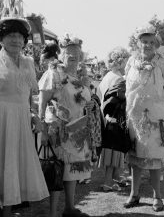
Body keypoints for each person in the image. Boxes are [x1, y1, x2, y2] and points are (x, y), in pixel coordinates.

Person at [38, 34, 93, 217]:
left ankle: (69, 208)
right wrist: (43, 129)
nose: (73, 55)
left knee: (71, 170)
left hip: (77, 130)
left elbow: (82, 102)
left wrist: (89, 103)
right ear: (61, 54)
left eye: (76, 53)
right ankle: (53, 212)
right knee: (57, 170)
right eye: (69, 52)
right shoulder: (54, 73)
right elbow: (43, 102)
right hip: (58, 130)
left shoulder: (79, 77)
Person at [123, 24, 164, 212]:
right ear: (138, 43)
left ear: (156, 43)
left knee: (154, 159)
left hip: (156, 117)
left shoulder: (162, 62)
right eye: (144, 42)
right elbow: (127, 88)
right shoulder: (131, 61)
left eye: (151, 42)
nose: (147, 45)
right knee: (135, 158)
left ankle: (157, 197)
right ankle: (134, 194)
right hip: (135, 117)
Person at [0, 17, 49, 217]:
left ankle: (7, 213)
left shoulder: (29, 63)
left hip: (20, 121)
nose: (16, 40)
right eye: (11, 35)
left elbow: (29, 97)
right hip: (1, 118)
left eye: (20, 36)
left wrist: (34, 116)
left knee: (13, 166)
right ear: (1, 39)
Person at [97, 47, 130, 191]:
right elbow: (121, 100)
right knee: (114, 150)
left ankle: (115, 177)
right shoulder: (119, 79)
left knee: (110, 151)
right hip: (115, 119)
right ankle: (108, 182)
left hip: (105, 118)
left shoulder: (107, 76)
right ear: (121, 62)